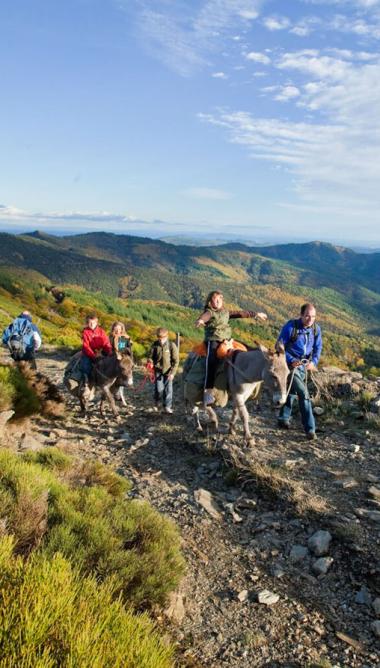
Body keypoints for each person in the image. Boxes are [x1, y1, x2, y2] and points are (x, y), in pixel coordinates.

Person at [195, 291, 268, 405]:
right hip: (213, 341)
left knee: (245, 349)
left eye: (220, 299)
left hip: (227, 340)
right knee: (211, 362)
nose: (218, 301)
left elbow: (241, 313)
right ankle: (208, 392)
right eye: (215, 299)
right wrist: (200, 320)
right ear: (210, 301)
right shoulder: (209, 312)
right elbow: (205, 316)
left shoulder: (226, 312)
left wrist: (256, 314)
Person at [276, 303, 322, 440]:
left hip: (304, 365)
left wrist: (313, 362)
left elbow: (318, 348)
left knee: (292, 391)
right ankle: (310, 428)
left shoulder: (316, 329)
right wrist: (290, 360)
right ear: (301, 315)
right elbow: (278, 346)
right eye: (307, 315)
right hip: (290, 366)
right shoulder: (291, 327)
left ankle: (283, 418)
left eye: (313, 316)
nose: (310, 319)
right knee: (303, 393)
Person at [148, 328, 179, 414]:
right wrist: (150, 362)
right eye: (158, 337)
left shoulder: (172, 345)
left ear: (166, 336)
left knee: (168, 389)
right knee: (158, 389)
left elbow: (176, 361)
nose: (160, 339)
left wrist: (172, 373)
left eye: (162, 337)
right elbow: (150, 356)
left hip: (168, 372)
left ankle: (167, 407)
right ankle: (157, 403)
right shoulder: (155, 345)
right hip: (158, 371)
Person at [81, 313, 112, 387]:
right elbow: (86, 346)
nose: (91, 324)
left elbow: (106, 343)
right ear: (87, 323)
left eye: (93, 323)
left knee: (109, 363)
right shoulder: (85, 332)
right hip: (89, 352)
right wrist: (93, 355)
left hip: (100, 350)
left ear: (96, 322)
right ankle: (86, 379)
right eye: (89, 323)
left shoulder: (101, 331)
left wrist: (110, 352)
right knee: (86, 365)